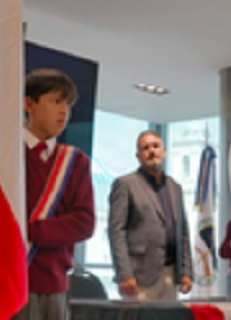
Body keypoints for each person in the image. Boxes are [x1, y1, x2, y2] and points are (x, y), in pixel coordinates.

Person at [17, 68, 95, 320]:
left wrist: (30, 230)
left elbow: (84, 222)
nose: (64, 111)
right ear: (29, 104)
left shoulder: (76, 161)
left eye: (67, 104)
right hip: (12, 280)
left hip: (56, 284)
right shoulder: (7, 155)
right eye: (55, 101)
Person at [108, 130, 193, 301]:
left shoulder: (175, 187)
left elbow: (182, 232)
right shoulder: (125, 184)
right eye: (145, 148)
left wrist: (186, 271)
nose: (152, 151)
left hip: (171, 274)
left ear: (164, 151)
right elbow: (116, 231)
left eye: (156, 146)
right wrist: (125, 274)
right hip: (138, 277)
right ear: (138, 155)